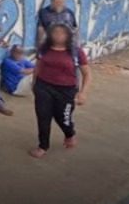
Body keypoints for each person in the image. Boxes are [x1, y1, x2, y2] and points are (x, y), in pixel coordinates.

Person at [29, 22, 92, 158]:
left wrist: (83, 93)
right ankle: (43, 146)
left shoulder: (76, 52)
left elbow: (87, 74)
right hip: (43, 86)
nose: (58, 35)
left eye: (62, 32)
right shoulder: (44, 49)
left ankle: (70, 133)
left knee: (63, 118)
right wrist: (34, 84)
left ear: (68, 35)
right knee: (43, 116)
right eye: (55, 32)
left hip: (66, 90)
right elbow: (38, 66)